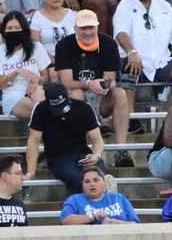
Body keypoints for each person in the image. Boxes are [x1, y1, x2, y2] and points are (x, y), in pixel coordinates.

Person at [54, 9, 133, 147]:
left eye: (91, 27)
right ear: (75, 28)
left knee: (120, 93)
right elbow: (66, 82)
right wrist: (89, 84)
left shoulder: (108, 43)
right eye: (83, 28)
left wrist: (102, 86)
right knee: (76, 94)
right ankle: (79, 146)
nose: (87, 32)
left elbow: (110, 80)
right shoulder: (64, 45)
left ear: (97, 27)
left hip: (102, 94)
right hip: (77, 92)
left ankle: (121, 148)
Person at [25, 81, 104, 193]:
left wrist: (96, 155)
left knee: (96, 177)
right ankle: (103, 194)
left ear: (69, 94)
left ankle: (100, 194)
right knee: (80, 180)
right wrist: (30, 173)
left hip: (84, 153)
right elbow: (34, 141)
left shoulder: (84, 108)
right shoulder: (40, 109)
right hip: (58, 158)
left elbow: (97, 139)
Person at [60, 166, 141, 224]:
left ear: (104, 183)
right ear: (82, 185)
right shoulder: (74, 200)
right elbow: (65, 219)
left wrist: (120, 224)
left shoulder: (119, 198)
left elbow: (135, 224)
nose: (92, 184)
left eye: (96, 180)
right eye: (87, 181)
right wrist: (93, 217)